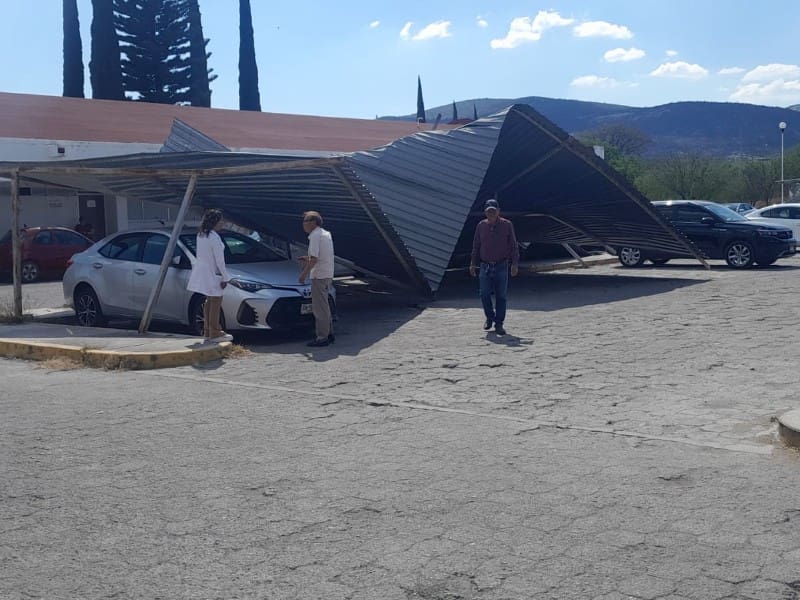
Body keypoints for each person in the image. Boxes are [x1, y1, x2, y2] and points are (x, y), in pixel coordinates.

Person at [469, 199, 519, 336]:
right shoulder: (481, 226)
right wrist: (473, 263)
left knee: (501, 296)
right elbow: (476, 246)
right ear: (485, 212)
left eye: (493, 211)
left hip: (501, 265)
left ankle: (499, 323)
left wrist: (515, 264)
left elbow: (514, 245)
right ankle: (489, 317)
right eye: (488, 211)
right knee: (484, 294)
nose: (491, 213)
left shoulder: (507, 225)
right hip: (485, 265)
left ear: (498, 211)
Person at [187, 209, 233, 342]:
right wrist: (225, 277)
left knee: (208, 300)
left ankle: (207, 329)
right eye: (220, 220)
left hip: (203, 271)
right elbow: (220, 260)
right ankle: (215, 330)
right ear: (215, 222)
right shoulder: (213, 237)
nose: (222, 223)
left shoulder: (201, 235)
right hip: (213, 272)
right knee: (216, 300)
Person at [298, 211, 335, 347]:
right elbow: (321, 256)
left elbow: (314, 259)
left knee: (319, 308)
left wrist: (303, 274)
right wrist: (306, 258)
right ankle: (329, 333)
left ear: (313, 223)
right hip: (327, 273)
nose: (303, 225)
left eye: (305, 221)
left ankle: (322, 337)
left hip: (319, 275)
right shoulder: (325, 234)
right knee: (325, 306)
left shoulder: (315, 236)